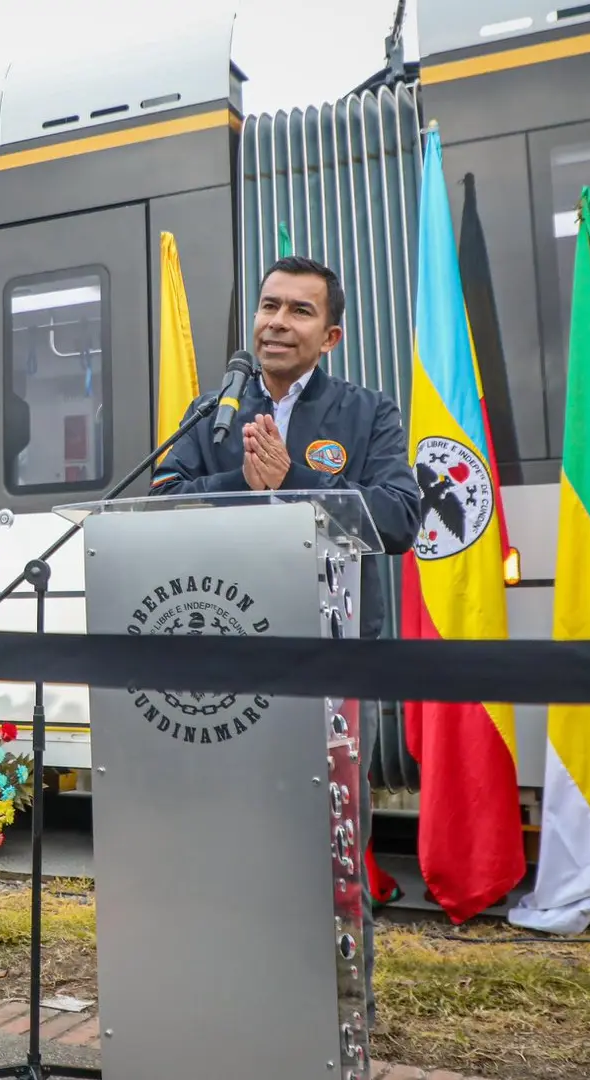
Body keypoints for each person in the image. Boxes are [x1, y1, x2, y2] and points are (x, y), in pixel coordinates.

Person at [150, 255, 420, 1038]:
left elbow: (400, 519)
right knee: (238, 840)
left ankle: (340, 1020)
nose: (276, 322)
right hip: (231, 666)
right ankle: (239, 1009)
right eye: (269, 306)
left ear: (329, 335)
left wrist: (290, 481)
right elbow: (163, 501)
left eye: (299, 311)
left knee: (332, 853)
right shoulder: (214, 409)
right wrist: (242, 484)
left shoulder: (367, 414)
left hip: (334, 667)